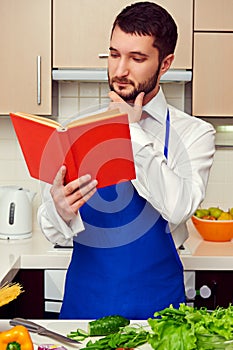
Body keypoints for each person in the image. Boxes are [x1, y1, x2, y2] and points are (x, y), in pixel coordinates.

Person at [38, 1, 215, 320]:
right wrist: (59, 211)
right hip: (84, 305)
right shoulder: (76, 129)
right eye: (114, 54)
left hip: (160, 314)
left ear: (165, 63)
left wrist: (129, 129)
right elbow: (50, 228)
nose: (119, 70)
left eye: (137, 58)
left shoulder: (194, 134)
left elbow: (178, 206)